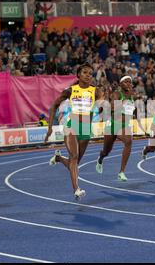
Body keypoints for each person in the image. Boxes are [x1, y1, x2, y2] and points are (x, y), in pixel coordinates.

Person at [45, 63, 101, 200]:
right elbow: (54, 106)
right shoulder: (70, 90)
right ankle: (76, 189)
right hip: (72, 125)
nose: (88, 75)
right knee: (74, 158)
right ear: (78, 75)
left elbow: (103, 105)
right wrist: (50, 127)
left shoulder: (96, 91)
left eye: (90, 73)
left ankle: (59, 158)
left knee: (74, 163)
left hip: (86, 127)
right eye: (85, 72)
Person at [95, 76, 146, 181]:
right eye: (126, 81)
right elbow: (113, 108)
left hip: (124, 126)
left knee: (129, 141)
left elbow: (135, 110)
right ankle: (100, 158)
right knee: (106, 151)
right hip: (113, 124)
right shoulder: (117, 94)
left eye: (130, 82)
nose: (128, 83)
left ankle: (121, 172)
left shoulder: (133, 96)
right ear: (121, 84)